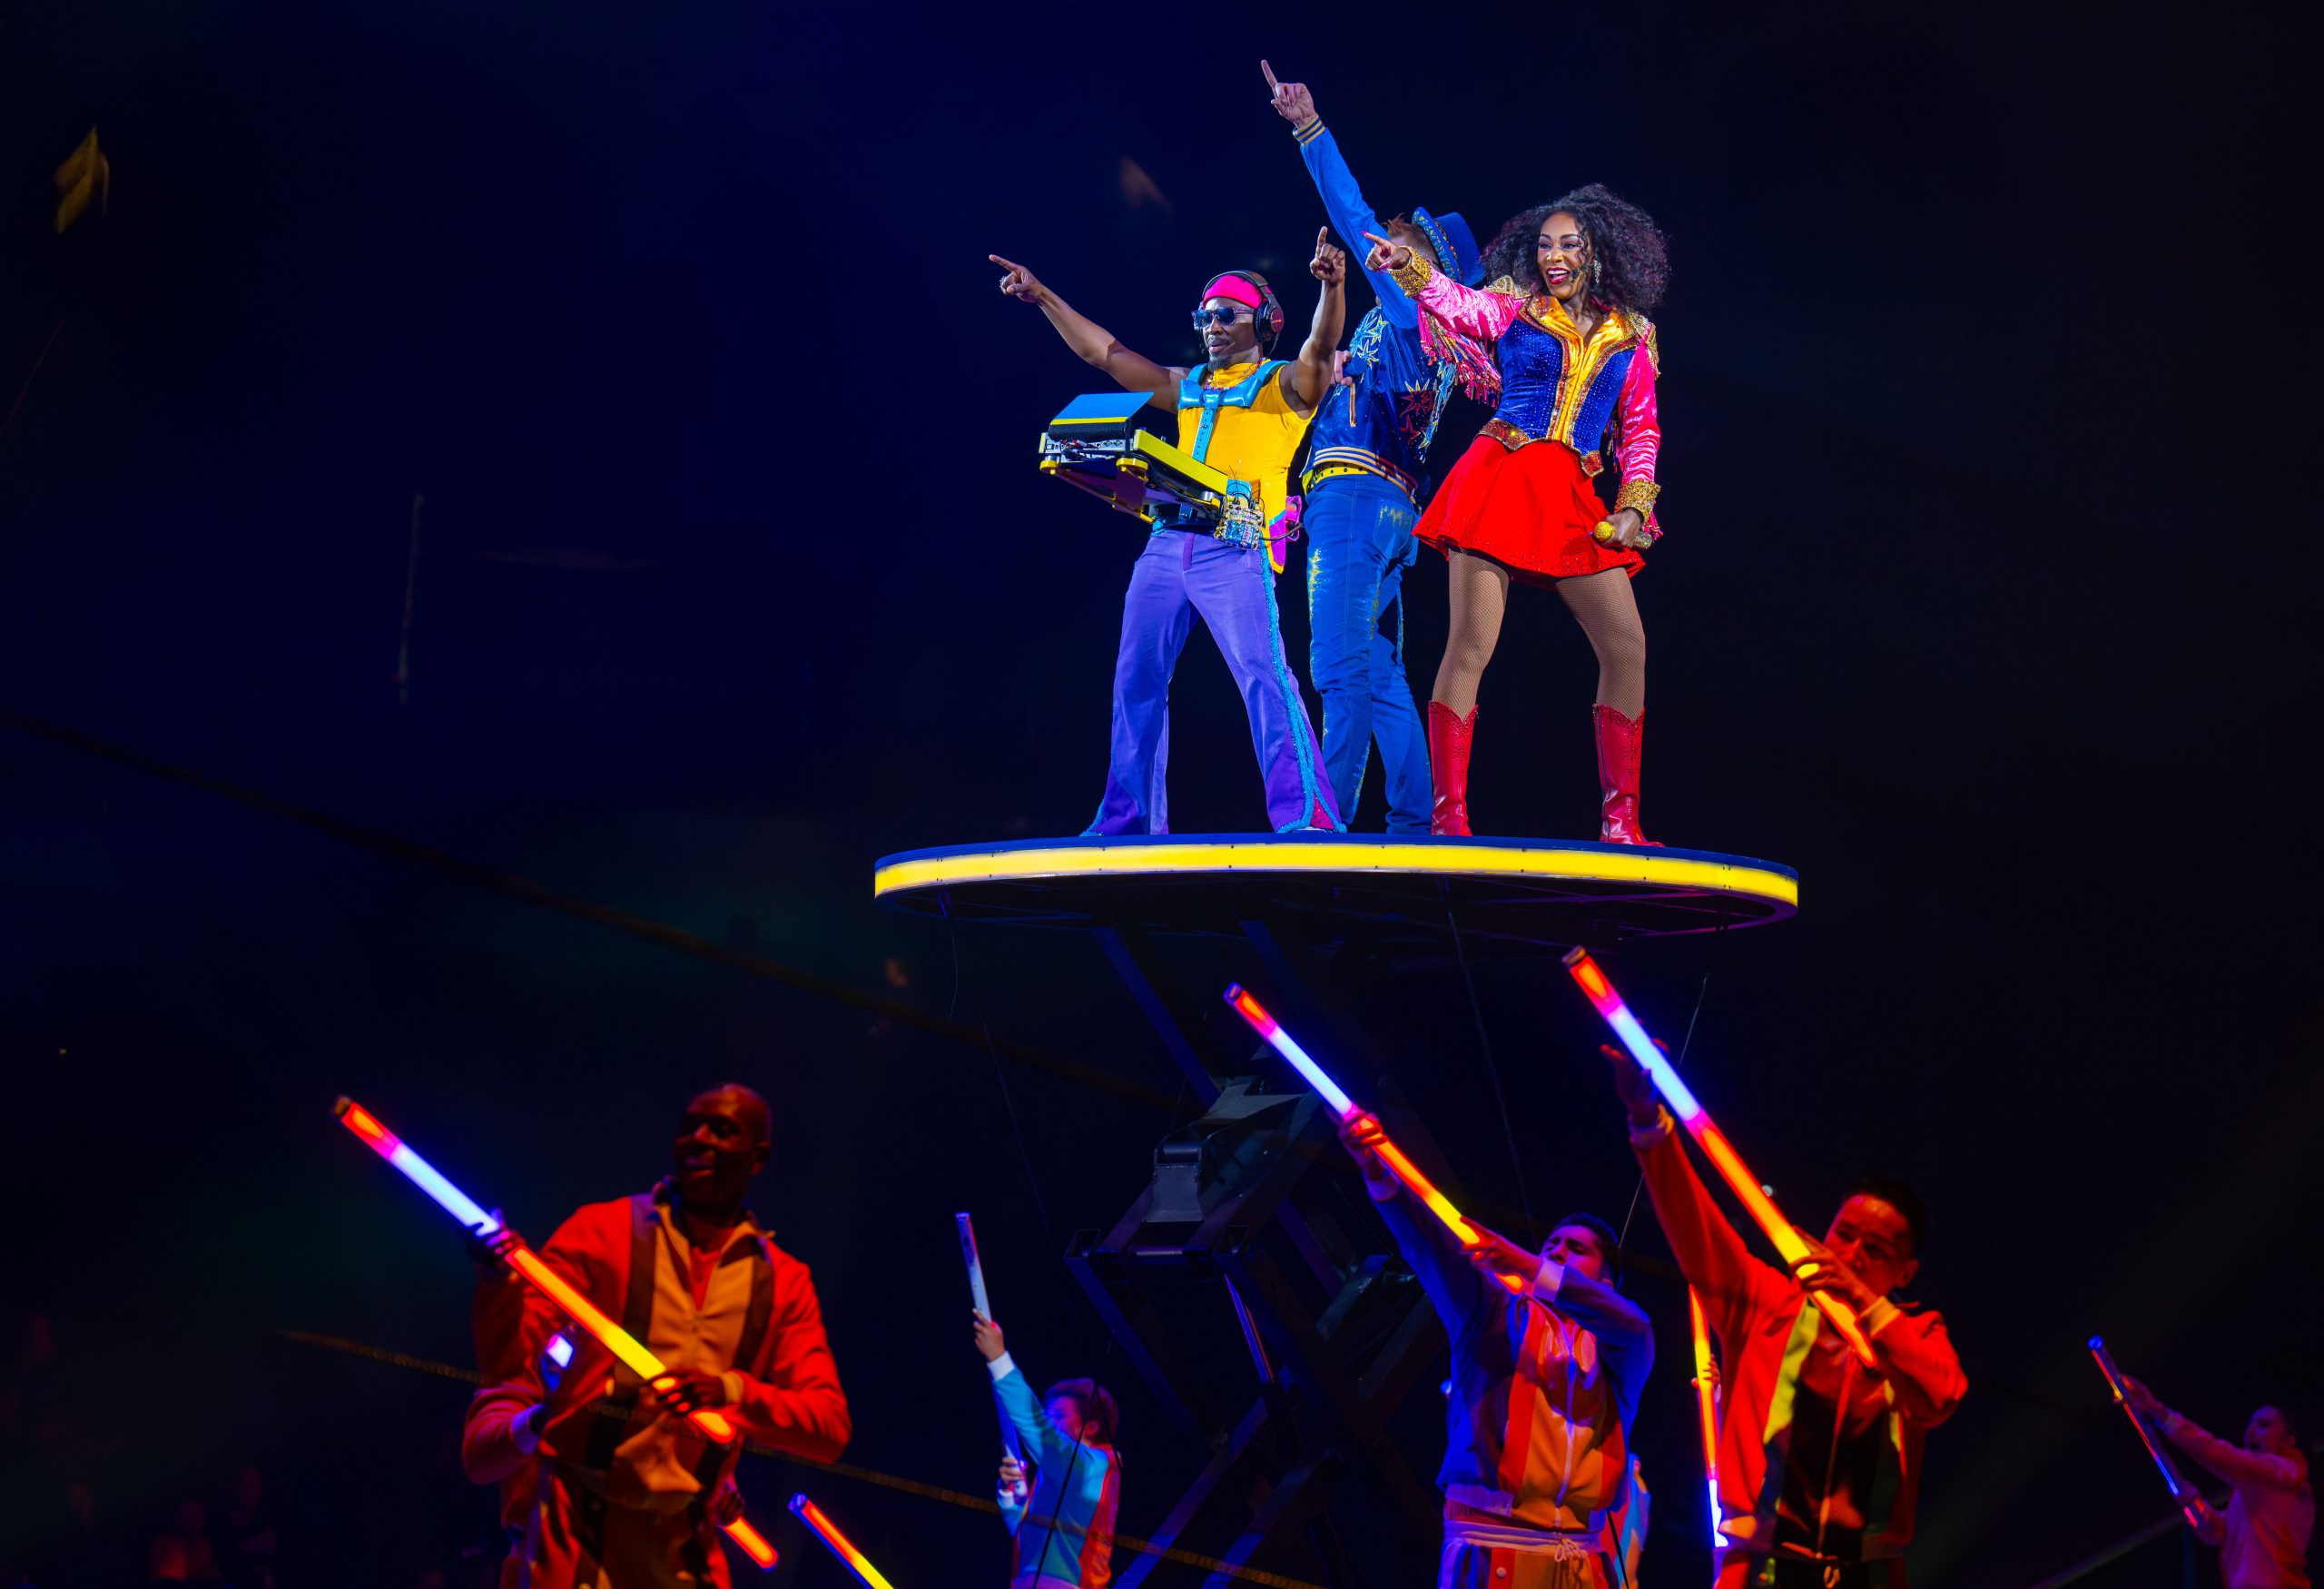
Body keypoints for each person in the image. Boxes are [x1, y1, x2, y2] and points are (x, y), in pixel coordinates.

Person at [988, 232, 1348, 835]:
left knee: (1264, 678)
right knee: (1136, 680)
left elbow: (1322, 346)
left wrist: (1331, 289)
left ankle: (1306, 815)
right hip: (1165, 547)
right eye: (1204, 317)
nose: (1212, 327)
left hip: (1236, 548)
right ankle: (1129, 822)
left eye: (1225, 315)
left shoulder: (1284, 385)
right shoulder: (1189, 384)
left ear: (1263, 323)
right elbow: (1106, 354)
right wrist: (1043, 295)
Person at [1600, 1045, 1965, 1586]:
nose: (1851, 1254)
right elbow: (1695, 1226)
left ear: (1906, 1272)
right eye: (1844, 1234)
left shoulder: (1916, 1333)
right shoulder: (1768, 1299)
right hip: (1761, 1568)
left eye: (1875, 1250)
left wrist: (1863, 1301)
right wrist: (1648, 1122)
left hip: (1867, 1572)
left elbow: (1940, 1396)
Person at [1365, 191, 1667, 843]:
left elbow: (1641, 431)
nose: (1553, 256)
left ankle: (1621, 821)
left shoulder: (1633, 336)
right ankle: (1448, 819)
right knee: (1471, 646)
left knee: (1627, 647)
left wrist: (1632, 508)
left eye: (1569, 244)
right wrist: (1408, 267)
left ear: (1598, 253)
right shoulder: (1515, 306)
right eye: (1545, 245)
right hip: (1499, 478)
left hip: (1572, 497)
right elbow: (1456, 304)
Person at [462, 1084, 851, 1589]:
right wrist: (499, 1284)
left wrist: (729, 1391)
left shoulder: (784, 1282)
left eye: (722, 1130)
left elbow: (827, 1427)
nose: (700, 1139)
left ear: (758, 1157)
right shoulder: (603, 1230)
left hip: (685, 1543)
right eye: (690, 1126)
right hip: (575, 1531)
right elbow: (512, 1360)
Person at [1262, 62, 1491, 833]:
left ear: (1423, 261)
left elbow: (1351, 210)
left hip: (1356, 501)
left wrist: (1309, 128)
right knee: (1383, 674)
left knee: (1338, 668)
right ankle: (1418, 823)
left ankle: (1323, 827)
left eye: (1399, 240)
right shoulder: (1437, 335)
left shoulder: (1410, 304)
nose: (1383, 244)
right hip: (1392, 511)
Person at [1340, 1113, 1651, 1587]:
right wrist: (1377, 1171)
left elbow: (1634, 1325)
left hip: (1581, 1561)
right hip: (1492, 1547)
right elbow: (1435, 1249)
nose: (1556, 1251)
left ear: (1604, 1284)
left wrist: (1528, 1263)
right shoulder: (1491, 1311)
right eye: (1552, 1244)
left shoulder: (1616, 1352)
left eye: (1576, 1248)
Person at [970, 1317, 1119, 1589]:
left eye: (1059, 1416)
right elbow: (1023, 1531)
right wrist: (1009, 1494)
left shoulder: (1091, 1467)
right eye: (1050, 1415)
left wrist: (998, 1358)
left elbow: (1037, 1427)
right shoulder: (1063, 1474)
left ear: (1090, 1427)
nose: (1052, 1424)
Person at [2123, 1378, 2313, 1588]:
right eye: (2250, 1424)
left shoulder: (2286, 1474)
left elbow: (2218, 1453)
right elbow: (2218, 1533)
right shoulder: (2254, 1491)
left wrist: (2160, 1413)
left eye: (2263, 1425)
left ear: (2289, 1440)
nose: (2250, 1432)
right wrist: (2192, 1502)